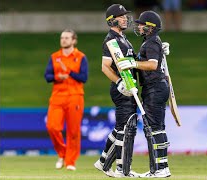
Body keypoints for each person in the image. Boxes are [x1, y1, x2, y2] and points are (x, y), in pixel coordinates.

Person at [117, 10, 171, 178]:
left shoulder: (152, 42)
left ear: (150, 27)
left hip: (155, 87)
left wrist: (132, 62)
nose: (138, 27)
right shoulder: (152, 42)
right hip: (155, 87)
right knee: (155, 128)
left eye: (142, 24)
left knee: (154, 128)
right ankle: (159, 167)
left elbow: (153, 65)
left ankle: (161, 168)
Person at [93, 4, 140, 178]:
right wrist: (120, 82)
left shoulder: (123, 39)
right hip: (122, 89)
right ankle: (123, 169)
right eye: (121, 16)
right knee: (125, 129)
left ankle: (104, 161)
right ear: (112, 20)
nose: (125, 18)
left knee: (121, 127)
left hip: (130, 87)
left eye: (125, 16)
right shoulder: (110, 40)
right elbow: (105, 67)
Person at [44, 29, 88, 171]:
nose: (64, 40)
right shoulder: (54, 57)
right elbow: (47, 76)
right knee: (52, 127)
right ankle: (62, 153)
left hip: (75, 97)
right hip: (57, 96)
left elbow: (84, 78)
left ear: (74, 40)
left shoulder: (81, 57)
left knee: (73, 131)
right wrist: (58, 77)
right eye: (62, 38)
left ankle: (70, 162)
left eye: (67, 38)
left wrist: (68, 72)